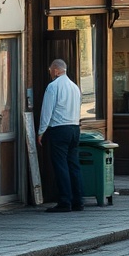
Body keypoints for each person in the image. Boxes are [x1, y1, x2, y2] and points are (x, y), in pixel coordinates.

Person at [37, 59, 84, 213]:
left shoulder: (53, 87)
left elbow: (47, 111)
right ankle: (78, 200)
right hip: (74, 128)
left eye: (50, 70)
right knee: (74, 166)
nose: (50, 73)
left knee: (61, 166)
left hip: (59, 129)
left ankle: (64, 201)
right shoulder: (75, 87)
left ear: (56, 70)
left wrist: (41, 131)